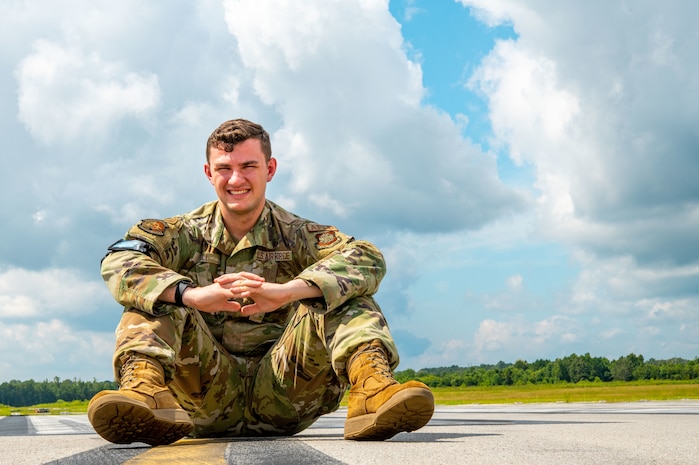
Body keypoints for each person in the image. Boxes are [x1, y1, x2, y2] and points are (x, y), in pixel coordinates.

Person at [88, 118, 434, 446]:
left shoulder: (296, 234)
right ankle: (144, 391)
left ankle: (373, 389)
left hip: (287, 394)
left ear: (270, 169)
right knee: (156, 294)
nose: (235, 179)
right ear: (209, 174)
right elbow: (119, 262)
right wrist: (192, 295)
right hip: (199, 396)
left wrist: (287, 293)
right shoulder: (183, 233)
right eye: (224, 168)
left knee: (339, 292)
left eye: (248, 167)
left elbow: (367, 258)